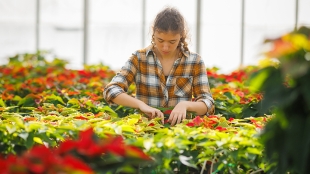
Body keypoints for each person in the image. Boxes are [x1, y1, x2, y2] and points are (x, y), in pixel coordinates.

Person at [103, 7, 214, 126]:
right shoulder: (139, 58)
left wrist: (185, 105)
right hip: (145, 130)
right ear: (153, 33)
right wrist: (141, 105)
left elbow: (208, 103)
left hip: (181, 133)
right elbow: (111, 90)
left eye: (172, 42)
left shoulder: (194, 61)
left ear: (181, 36)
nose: (165, 47)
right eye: (160, 40)